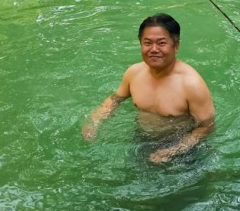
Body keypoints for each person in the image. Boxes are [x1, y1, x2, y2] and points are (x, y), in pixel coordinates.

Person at [83, 14, 215, 163]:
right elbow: (115, 99)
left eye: (161, 43)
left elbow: (206, 127)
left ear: (176, 46)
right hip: (141, 138)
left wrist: (174, 151)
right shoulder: (134, 73)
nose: (153, 49)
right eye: (147, 43)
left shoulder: (191, 84)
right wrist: (94, 121)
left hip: (184, 148)